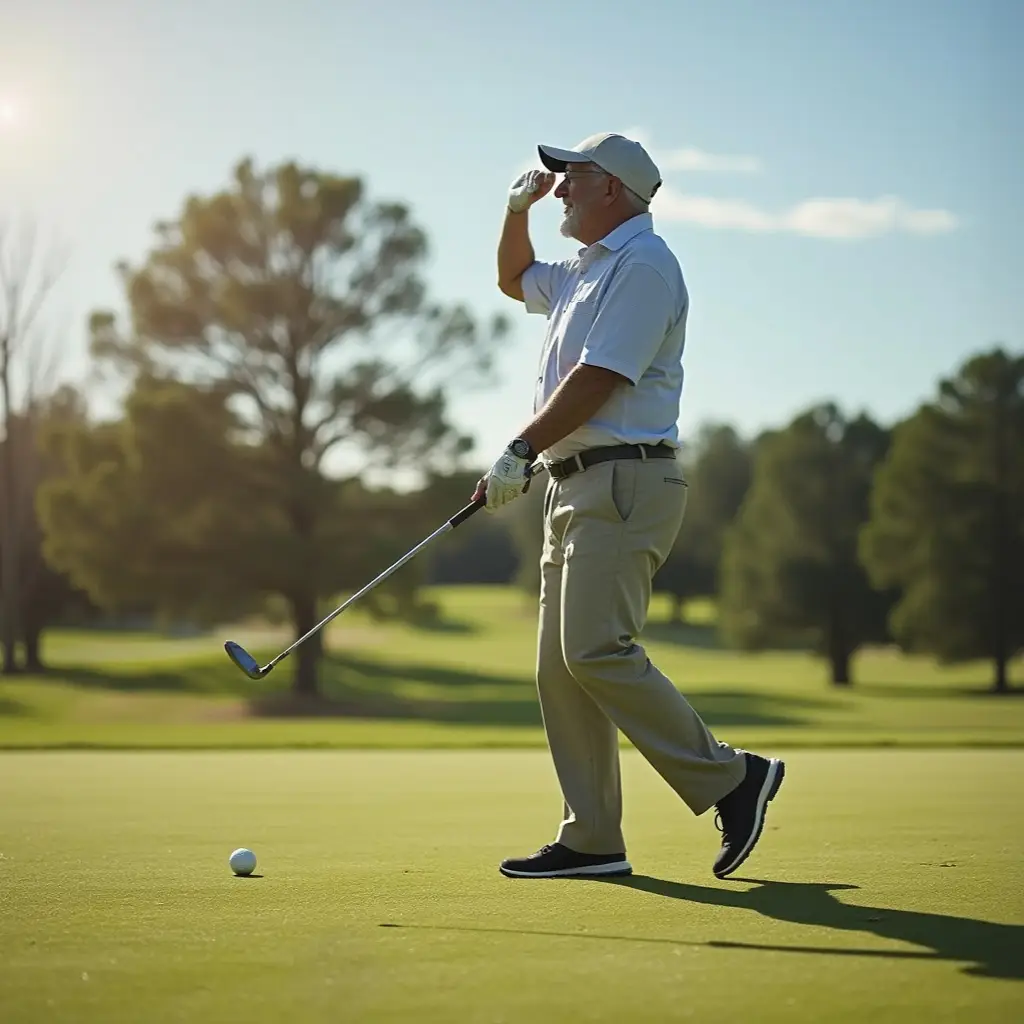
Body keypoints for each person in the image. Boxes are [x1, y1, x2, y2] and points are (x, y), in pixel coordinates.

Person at [473, 132, 785, 881]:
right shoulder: (587, 268)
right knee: (560, 668)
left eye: (571, 177)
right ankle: (592, 839)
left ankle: (732, 779)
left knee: (595, 651)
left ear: (612, 188)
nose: (560, 188)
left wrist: (518, 446)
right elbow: (515, 280)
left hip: (624, 480)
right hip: (573, 483)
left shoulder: (645, 265)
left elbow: (600, 376)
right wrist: (513, 213)